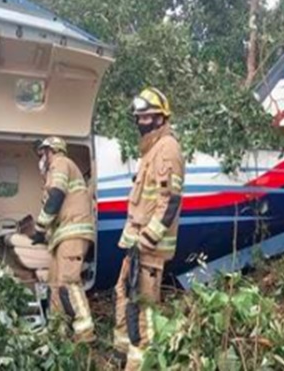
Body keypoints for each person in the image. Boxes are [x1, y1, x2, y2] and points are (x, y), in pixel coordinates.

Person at [112, 87, 185, 370]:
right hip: (136, 243)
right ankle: (121, 352)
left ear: (159, 118)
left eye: (145, 117)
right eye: (138, 117)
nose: (140, 122)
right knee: (124, 294)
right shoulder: (151, 149)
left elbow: (170, 201)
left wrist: (146, 240)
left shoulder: (167, 149)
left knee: (143, 309)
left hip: (148, 247)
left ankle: (142, 363)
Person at [31, 136, 96, 344]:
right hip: (62, 236)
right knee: (55, 284)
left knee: (68, 281)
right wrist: (45, 235)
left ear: (52, 151)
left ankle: (85, 333)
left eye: (42, 154)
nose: (41, 159)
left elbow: (56, 198)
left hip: (73, 232)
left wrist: (39, 228)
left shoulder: (60, 163)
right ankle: (57, 331)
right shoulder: (53, 173)